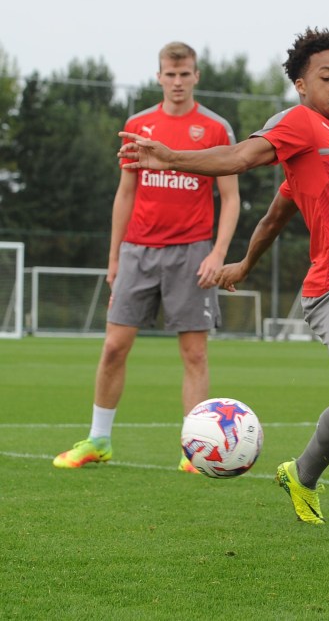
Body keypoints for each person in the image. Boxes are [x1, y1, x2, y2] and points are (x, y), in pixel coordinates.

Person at [116, 28, 329, 544]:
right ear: (301, 85)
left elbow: (277, 214)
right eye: (326, 77)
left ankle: (301, 474)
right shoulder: (298, 122)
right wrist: (171, 157)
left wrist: (243, 265)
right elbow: (239, 157)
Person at [53, 42, 240, 473]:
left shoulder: (215, 129)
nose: (177, 82)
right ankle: (99, 440)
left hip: (192, 253)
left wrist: (218, 253)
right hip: (137, 251)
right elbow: (125, 193)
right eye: (169, 74)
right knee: (114, 347)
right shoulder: (138, 126)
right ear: (158, 77)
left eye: (185, 74)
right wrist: (114, 257)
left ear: (196, 76)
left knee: (194, 354)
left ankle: (194, 451)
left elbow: (230, 198)